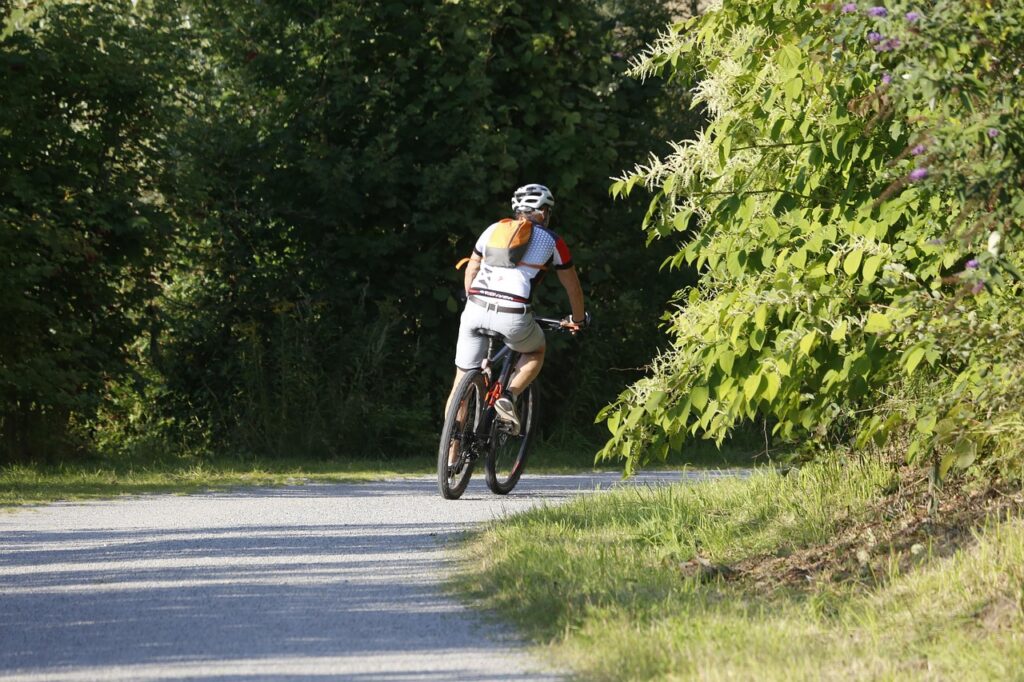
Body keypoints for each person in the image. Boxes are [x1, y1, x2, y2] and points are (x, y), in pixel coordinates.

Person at [447, 183, 587, 434]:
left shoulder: (492, 230)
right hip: (513, 316)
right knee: (536, 350)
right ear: (543, 212)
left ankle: (450, 456)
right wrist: (578, 319)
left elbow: (471, 269)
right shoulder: (552, 240)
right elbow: (573, 287)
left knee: (461, 381)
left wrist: (471, 300)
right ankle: (509, 395)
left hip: (474, 308)